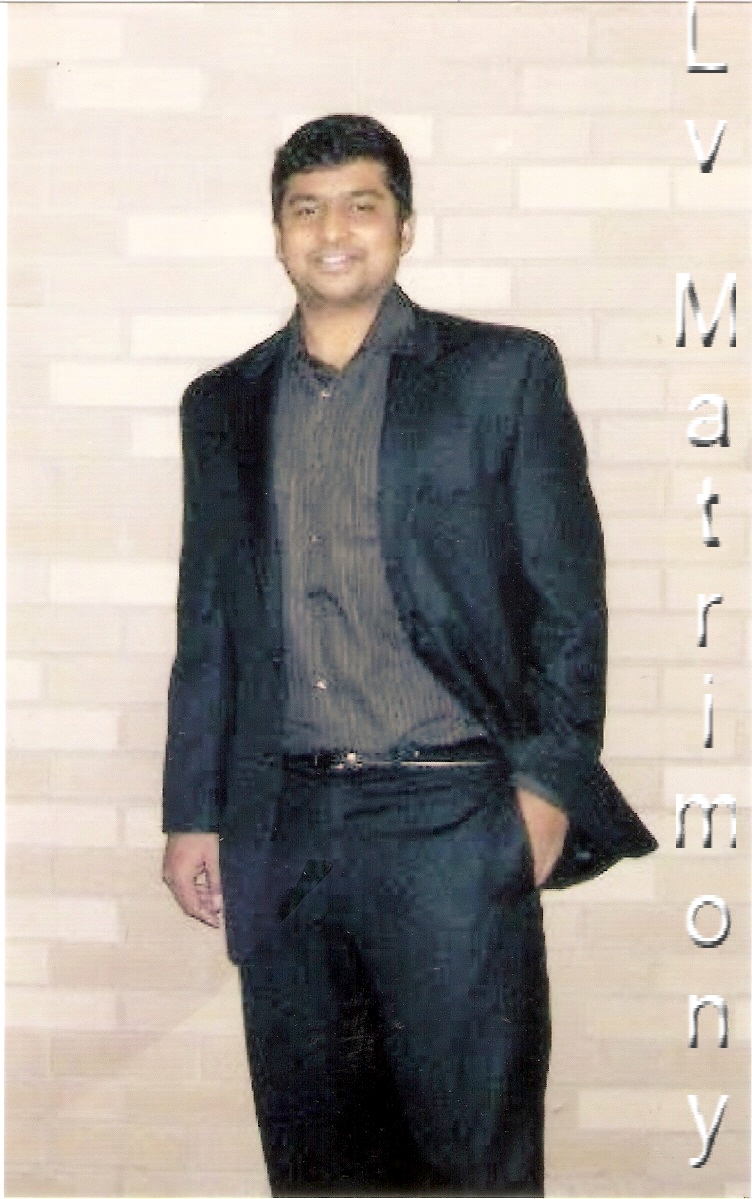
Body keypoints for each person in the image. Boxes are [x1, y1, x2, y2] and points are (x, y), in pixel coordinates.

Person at [161, 114, 656, 1197]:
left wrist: (544, 787)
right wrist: (192, 810)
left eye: (361, 204)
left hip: (450, 816)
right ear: (278, 234)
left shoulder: (500, 374)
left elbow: (568, 601)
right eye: (305, 209)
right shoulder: (220, 405)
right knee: (319, 1163)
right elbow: (208, 624)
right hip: (283, 825)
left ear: (404, 226)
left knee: (471, 1156)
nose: (332, 230)